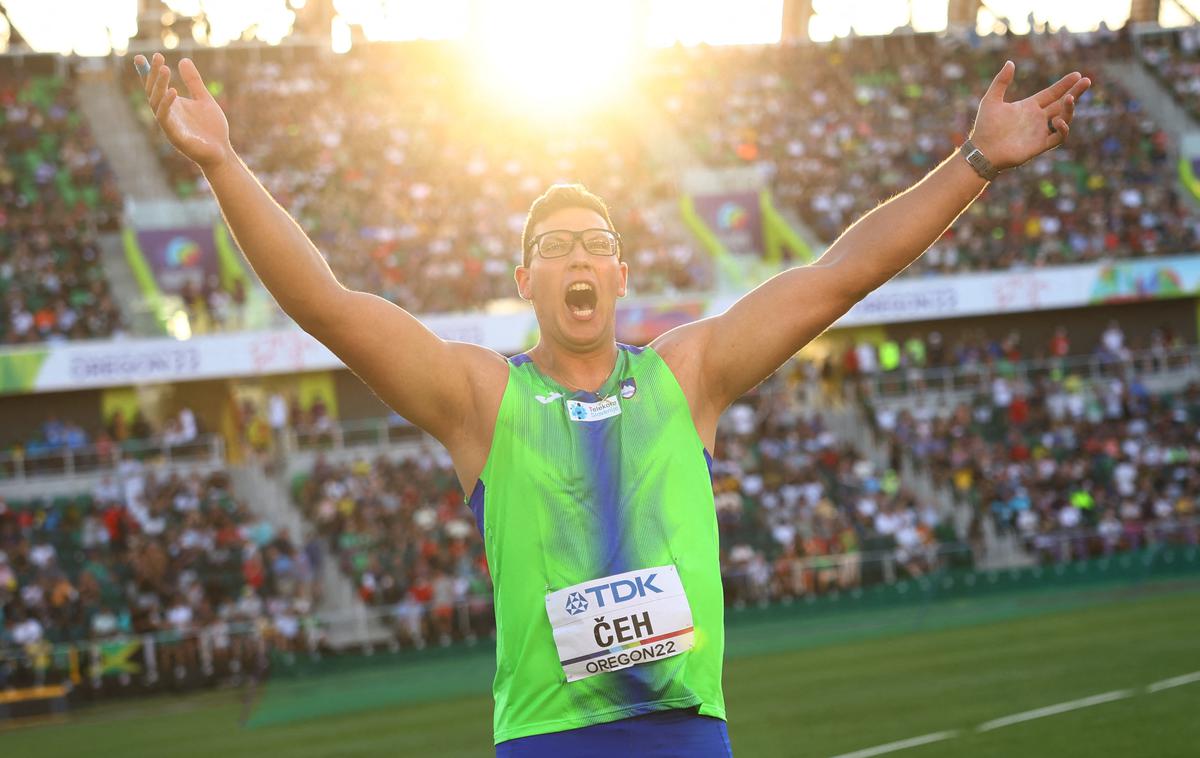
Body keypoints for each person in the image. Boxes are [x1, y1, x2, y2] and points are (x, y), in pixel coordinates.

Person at [134, 51, 1088, 757]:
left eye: (595, 242)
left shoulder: (688, 374)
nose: (579, 258)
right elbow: (327, 305)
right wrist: (222, 162)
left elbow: (840, 276)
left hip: (683, 734)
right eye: (555, 247)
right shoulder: (480, 399)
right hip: (550, 737)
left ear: (622, 273)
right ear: (525, 279)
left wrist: (974, 161)